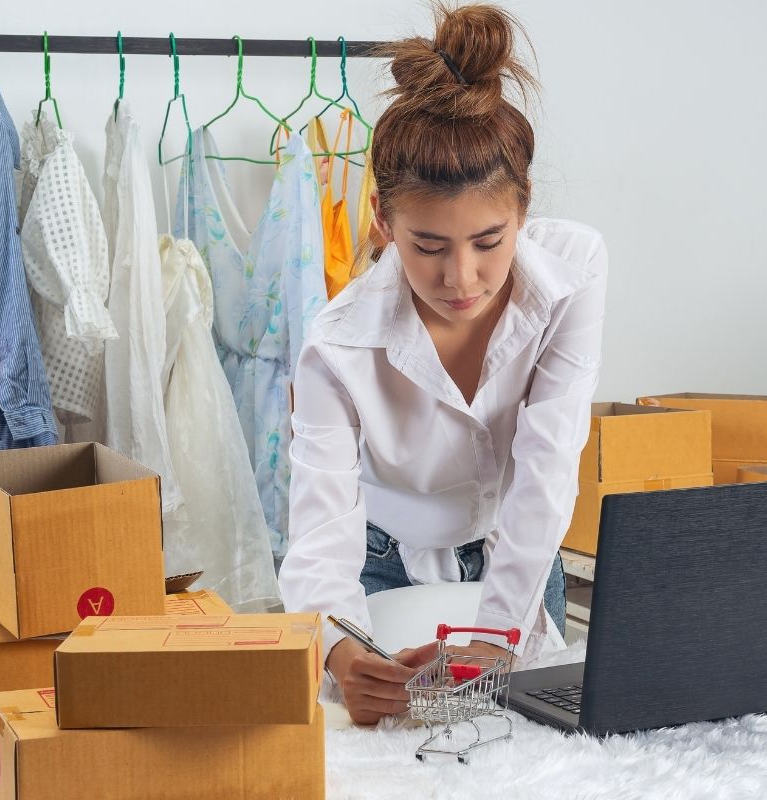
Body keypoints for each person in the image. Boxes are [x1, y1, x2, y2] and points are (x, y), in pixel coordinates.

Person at [279, 2, 608, 725]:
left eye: (490, 241)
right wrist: (337, 649)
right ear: (381, 219)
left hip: (515, 554)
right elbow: (318, 526)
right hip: (380, 564)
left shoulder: (575, 270)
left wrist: (495, 637)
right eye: (428, 246)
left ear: (523, 211)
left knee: (534, 748)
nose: (462, 276)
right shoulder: (336, 343)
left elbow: (549, 464)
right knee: (388, 745)